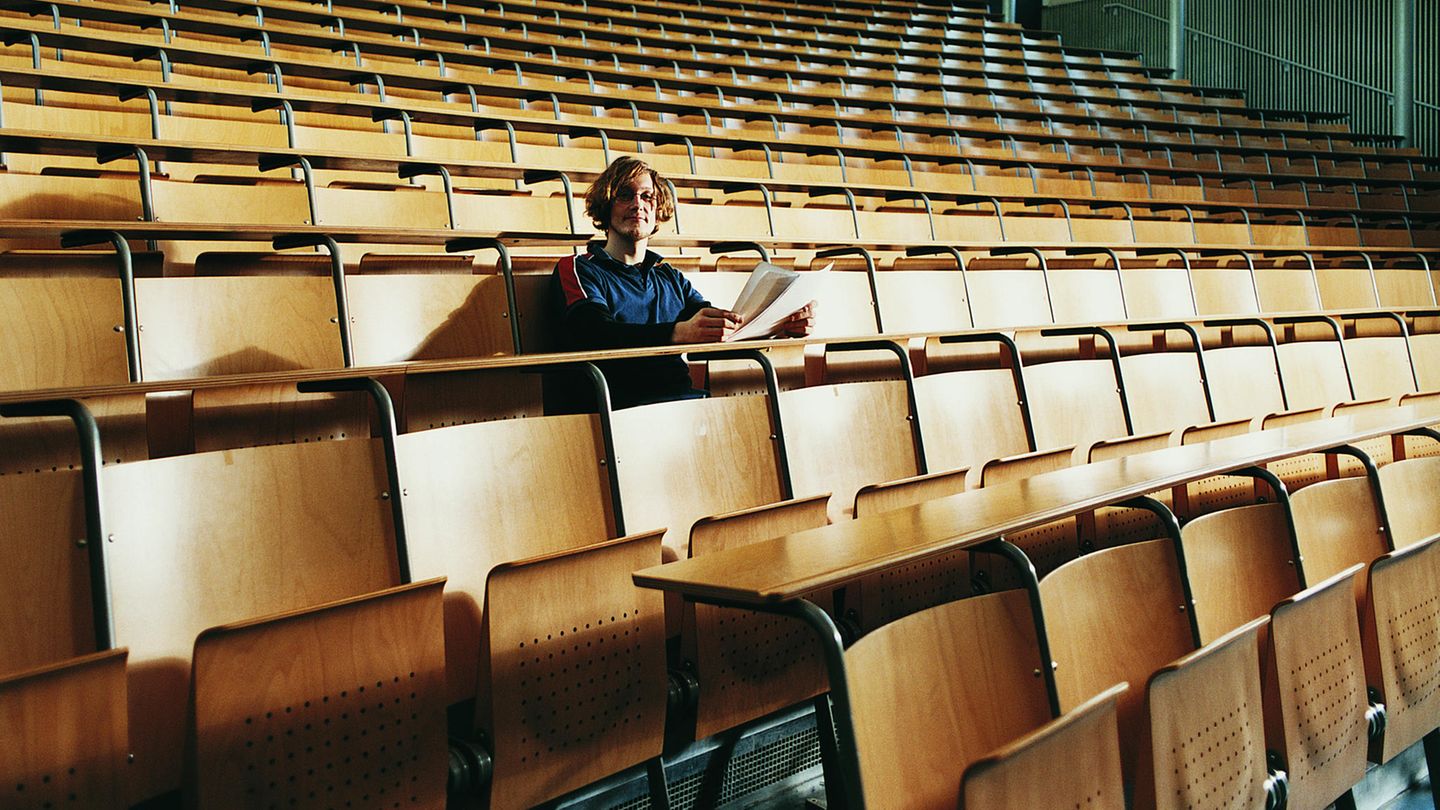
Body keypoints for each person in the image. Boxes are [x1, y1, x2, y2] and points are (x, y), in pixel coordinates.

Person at [548, 156, 814, 412]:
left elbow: (714, 326)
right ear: (606, 206)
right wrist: (677, 333)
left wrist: (781, 325)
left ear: (657, 209)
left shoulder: (668, 276)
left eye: (647, 196)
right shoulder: (579, 268)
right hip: (618, 408)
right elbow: (595, 333)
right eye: (625, 195)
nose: (637, 204)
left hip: (683, 405)